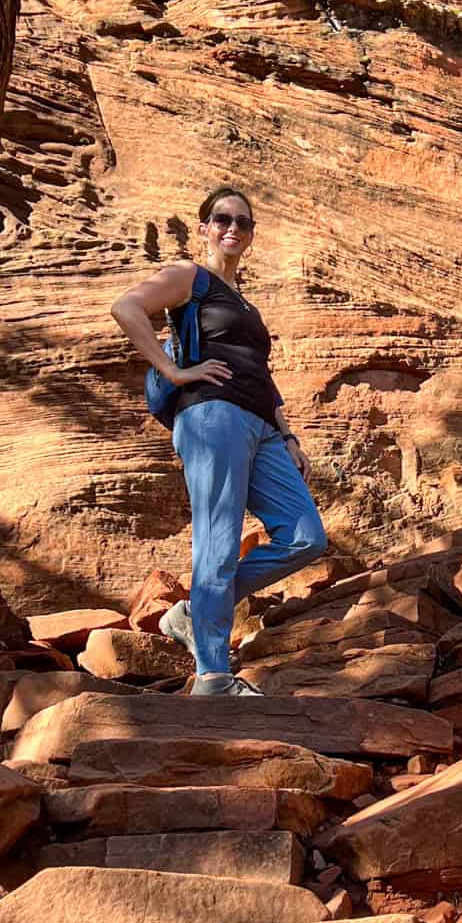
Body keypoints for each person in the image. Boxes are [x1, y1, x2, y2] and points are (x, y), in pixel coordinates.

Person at [109, 185, 327, 697]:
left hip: (262, 428)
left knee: (305, 537)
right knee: (218, 543)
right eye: (222, 219)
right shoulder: (190, 278)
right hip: (212, 419)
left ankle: (191, 611)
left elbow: (259, 371)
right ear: (205, 227)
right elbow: (127, 308)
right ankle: (212, 675)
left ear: (250, 236)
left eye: (243, 222)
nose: (233, 227)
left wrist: (288, 432)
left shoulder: (246, 305)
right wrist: (173, 371)